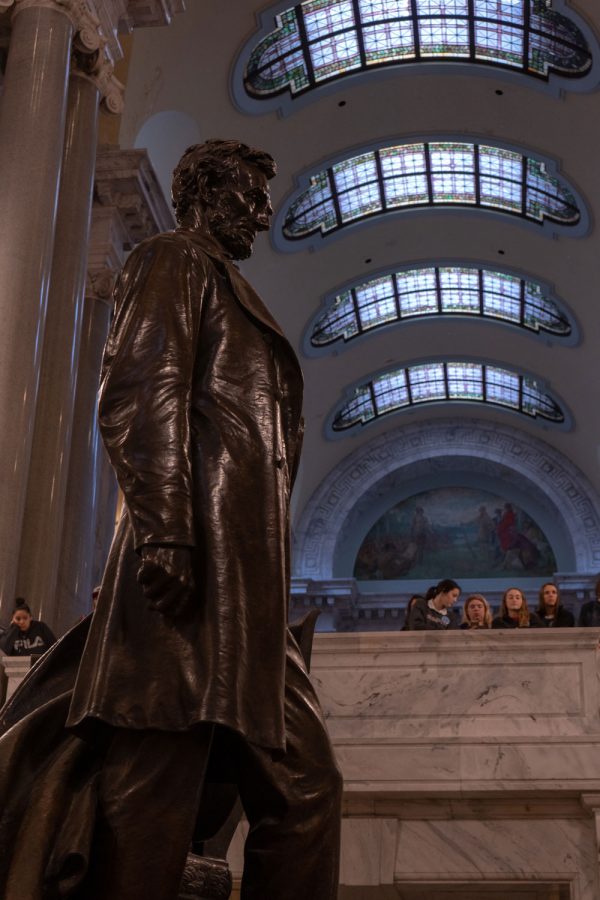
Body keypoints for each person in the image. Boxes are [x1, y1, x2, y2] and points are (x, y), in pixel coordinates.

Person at [0, 140, 342, 900]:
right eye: (249, 194)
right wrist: (166, 528)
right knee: (155, 781)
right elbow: (139, 392)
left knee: (308, 788)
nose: (262, 211)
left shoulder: (222, 280)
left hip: (249, 582)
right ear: (205, 191)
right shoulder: (172, 258)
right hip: (199, 555)